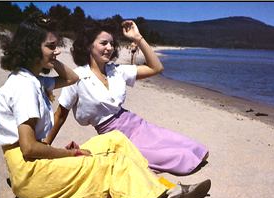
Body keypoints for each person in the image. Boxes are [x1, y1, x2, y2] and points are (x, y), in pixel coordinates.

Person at [0, 14, 211, 198]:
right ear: (32, 48)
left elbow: (70, 79)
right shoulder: (24, 87)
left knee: (116, 140)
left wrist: (52, 57)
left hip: (35, 164)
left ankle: (164, 188)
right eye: (51, 46)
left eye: (57, 46)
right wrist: (68, 155)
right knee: (113, 164)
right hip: (31, 175)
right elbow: (28, 148)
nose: (57, 50)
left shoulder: (34, 80)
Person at [45, 19, 209, 175]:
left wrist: (138, 38)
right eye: (103, 43)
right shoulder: (77, 77)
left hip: (137, 124)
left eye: (111, 43)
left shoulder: (116, 70)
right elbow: (60, 115)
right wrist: (45, 147)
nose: (109, 47)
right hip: (114, 137)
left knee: (192, 147)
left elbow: (156, 68)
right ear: (89, 46)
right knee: (178, 158)